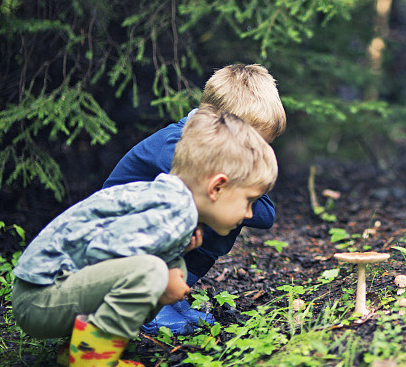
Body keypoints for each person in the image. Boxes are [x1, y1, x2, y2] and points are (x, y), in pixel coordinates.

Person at [11, 107, 278, 367]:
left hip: (51, 292)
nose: (249, 214)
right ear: (216, 186)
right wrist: (163, 273)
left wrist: (174, 262)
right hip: (39, 300)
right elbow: (103, 255)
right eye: (249, 201)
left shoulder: (172, 204)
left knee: (155, 273)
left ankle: (79, 353)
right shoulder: (170, 212)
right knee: (150, 274)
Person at [103, 64, 286, 335]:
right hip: (111, 244)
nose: (254, 155)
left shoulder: (216, 157)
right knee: (206, 204)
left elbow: (265, 214)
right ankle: (145, 302)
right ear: (217, 125)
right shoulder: (175, 147)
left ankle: (168, 296)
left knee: (224, 213)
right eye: (251, 145)